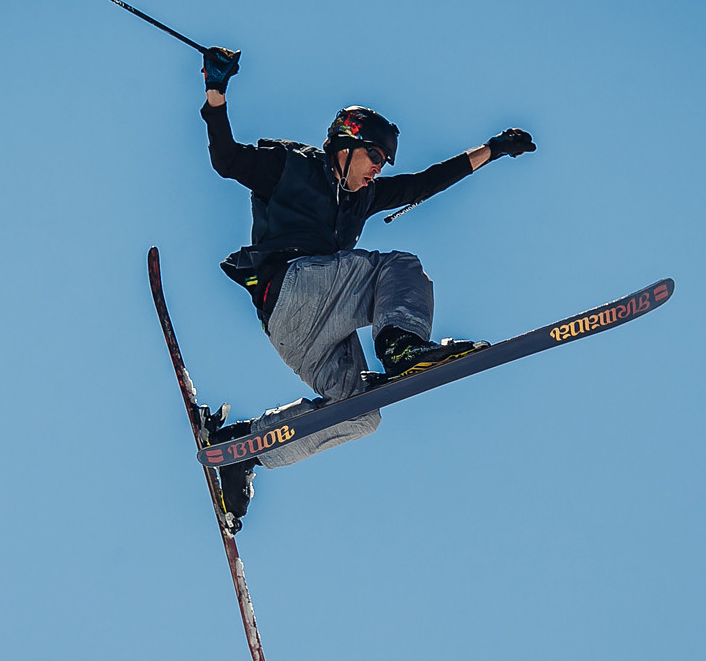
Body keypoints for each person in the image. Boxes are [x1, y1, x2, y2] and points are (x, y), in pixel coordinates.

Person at [196, 43, 536, 531]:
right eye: (374, 156)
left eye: (384, 162)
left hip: (297, 334)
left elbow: (424, 183)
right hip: (293, 285)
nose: (379, 168)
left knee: (360, 414)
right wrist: (216, 92)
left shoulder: (365, 196)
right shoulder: (291, 167)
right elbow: (227, 159)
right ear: (346, 143)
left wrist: (492, 150)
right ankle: (400, 346)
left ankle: (242, 451)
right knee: (397, 265)